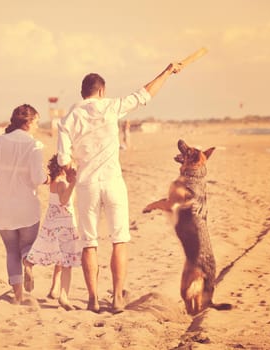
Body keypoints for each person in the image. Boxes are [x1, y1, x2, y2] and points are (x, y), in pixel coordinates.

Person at [57, 62, 183, 313]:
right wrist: (167, 71)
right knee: (119, 240)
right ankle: (116, 297)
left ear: (83, 93)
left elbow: (62, 160)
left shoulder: (69, 116)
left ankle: (92, 299)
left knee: (89, 242)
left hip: (87, 185)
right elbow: (144, 94)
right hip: (113, 182)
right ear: (101, 91)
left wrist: (73, 165)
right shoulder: (111, 106)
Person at [0, 104, 49, 305]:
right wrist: (51, 177)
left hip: (2, 208)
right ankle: (28, 264)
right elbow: (38, 178)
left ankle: (19, 296)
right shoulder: (34, 145)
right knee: (27, 246)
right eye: (37, 122)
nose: (38, 126)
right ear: (28, 122)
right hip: (27, 207)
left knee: (11, 250)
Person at [25, 155, 82, 311]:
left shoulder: (53, 182)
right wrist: (74, 184)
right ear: (65, 167)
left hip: (51, 223)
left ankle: (31, 268)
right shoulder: (63, 183)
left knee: (48, 252)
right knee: (67, 262)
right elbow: (64, 201)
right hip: (65, 223)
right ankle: (64, 296)